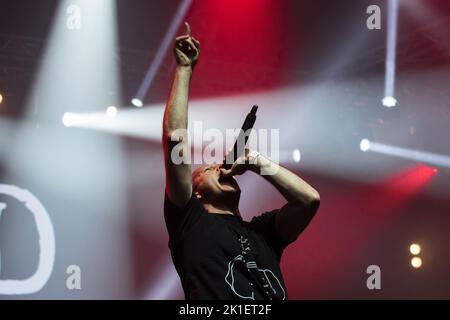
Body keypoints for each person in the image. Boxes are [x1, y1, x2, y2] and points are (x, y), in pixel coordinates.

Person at [162, 23, 320, 300]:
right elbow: (176, 139)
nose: (220, 168)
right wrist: (184, 70)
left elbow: (308, 200)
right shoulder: (189, 220)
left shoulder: (263, 232)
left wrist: (257, 162)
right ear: (195, 191)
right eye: (209, 168)